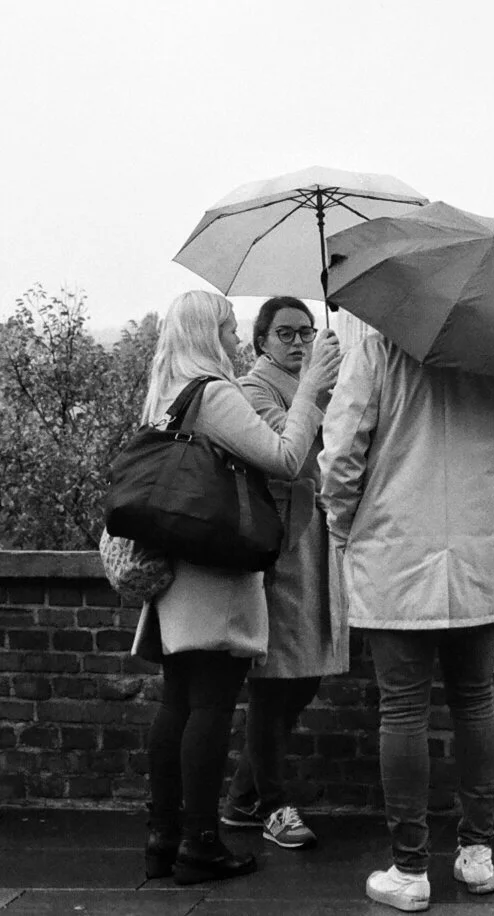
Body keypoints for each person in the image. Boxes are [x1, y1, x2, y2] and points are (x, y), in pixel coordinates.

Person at [319, 329, 494, 911]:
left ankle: (410, 867)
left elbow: (341, 453)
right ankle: (477, 854)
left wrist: (344, 527)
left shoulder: (377, 351)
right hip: (478, 554)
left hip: (395, 554)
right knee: (476, 701)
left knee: (402, 708)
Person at [137, 290, 340, 885]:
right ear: (207, 334)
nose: (233, 341)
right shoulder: (215, 393)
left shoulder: (167, 394)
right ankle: (201, 842)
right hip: (215, 572)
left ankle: (163, 837)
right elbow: (284, 457)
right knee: (211, 706)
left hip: (178, 569)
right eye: (227, 329)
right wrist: (311, 390)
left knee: (177, 702)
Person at [220, 297, 349, 850]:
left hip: (318, 542)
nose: (298, 342)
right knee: (276, 680)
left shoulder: (314, 387)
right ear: (262, 341)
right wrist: (319, 392)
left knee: (306, 673)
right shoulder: (253, 389)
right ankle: (268, 804)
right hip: (282, 548)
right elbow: (294, 454)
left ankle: (243, 798)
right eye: (286, 333)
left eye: (306, 332)